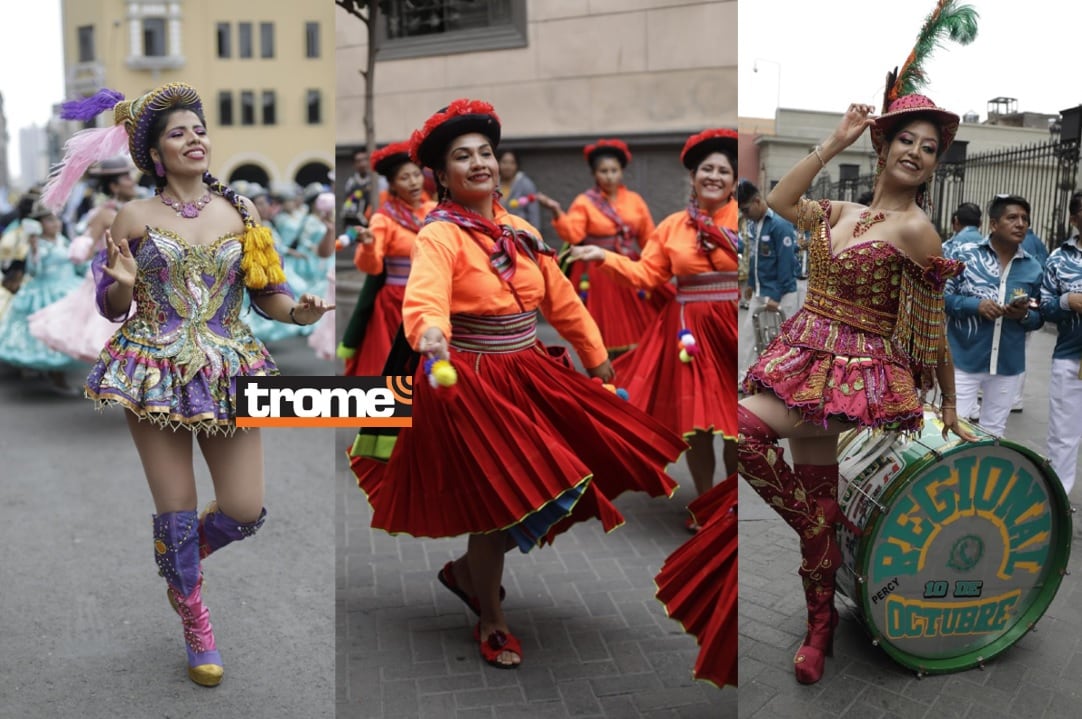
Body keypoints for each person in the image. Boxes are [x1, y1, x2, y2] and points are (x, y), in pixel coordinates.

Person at [350, 99, 686, 670]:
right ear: (442, 174)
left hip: (529, 370)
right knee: (498, 505)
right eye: (463, 156)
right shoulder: (439, 236)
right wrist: (430, 332)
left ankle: (465, 574)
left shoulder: (522, 230)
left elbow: (560, 299)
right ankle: (491, 617)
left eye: (485, 152)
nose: (479, 163)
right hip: (473, 382)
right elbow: (425, 297)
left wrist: (597, 358)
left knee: (562, 484)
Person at [39, 82, 333, 687]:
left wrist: (298, 313)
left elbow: (267, 294)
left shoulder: (243, 212)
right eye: (178, 132)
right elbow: (114, 305)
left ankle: (178, 563)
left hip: (230, 370)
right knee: (174, 511)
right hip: (152, 369)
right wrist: (119, 280)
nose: (194, 139)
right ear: (155, 154)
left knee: (245, 510)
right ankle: (195, 616)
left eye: (198, 129)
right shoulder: (135, 216)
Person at [738, 94, 976, 685]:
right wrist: (837, 139)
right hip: (800, 360)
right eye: (906, 140)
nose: (916, 152)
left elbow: (931, 327)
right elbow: (778, 200)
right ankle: (819, 627)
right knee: (818, 498)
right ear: (884, 145)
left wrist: (948, 405)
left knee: (740, 430)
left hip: (857, 378)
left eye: (929, 147)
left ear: (935, 164)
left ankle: (820, 539)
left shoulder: (918, 230)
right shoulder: (840, 210)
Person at [569, 128, 740, 527]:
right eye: (706, 169)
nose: (714, 176)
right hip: (690, 333)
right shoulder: (673, 226)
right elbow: (646, 274)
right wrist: (603, 256)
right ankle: (708, 502)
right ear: (693, 176)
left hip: (731, 328)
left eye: (723, 171)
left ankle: (733, 503)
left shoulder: (742, 219)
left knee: (734, 424)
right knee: (700, 424)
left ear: (734, 180)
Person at [535, 139, 661, 354]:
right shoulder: (585, 202)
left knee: (638, 331)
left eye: (614, 170)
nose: (609, 176)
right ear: (595, 174)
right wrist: (557, 213)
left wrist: (654, 265)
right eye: (604, 171)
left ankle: (631, 371)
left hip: (628, 266)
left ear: (622, 172)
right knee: (603, 330)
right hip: (597, 272)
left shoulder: (635, 200)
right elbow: (574, 234)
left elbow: (648, 237)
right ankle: (607, 372)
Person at [945, 194, 1044, 437]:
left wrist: (1023, 315)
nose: (1020, 224)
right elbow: (941, 298)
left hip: (1007, 365)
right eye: (1012, 217)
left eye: (1025, 219)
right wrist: (974, 306)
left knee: (994, 434)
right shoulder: (965, 255)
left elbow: (1039, 314)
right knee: (954, 428)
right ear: (993, 224)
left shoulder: (1033, 267)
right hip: (964, 360)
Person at [28, 156, 140, 363]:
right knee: (115, 344)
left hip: (137, 281)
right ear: (114, 186)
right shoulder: (105, 214)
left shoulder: (135, 210)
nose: (132, 181)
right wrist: (85, 248)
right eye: (126, 177)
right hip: (111, 281)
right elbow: (85, 247)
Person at [341, 140, 436, 376]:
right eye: (405, 178)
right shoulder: (383, 219)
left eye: (416, 175)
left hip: (433, 296)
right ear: (392, 184)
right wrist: (370, 244)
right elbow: (371, 267)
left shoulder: (434, 211)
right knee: (398, 368)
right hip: (397, 302)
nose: (413, 182)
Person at [0, 201, 84, 391]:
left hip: (69, 289)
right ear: (39, 224)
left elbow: (77, 263)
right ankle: (56, 377)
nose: (55, 224)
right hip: (47, 291)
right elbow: (33, 270)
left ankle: (58, 376)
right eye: (49, 221)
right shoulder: (37, 244)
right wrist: (34, 249)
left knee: (70, 333)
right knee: (51, 335)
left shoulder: (63, 240)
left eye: (56, 220)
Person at [736, 179, 800, 384]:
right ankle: (745, 378)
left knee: (779, 340)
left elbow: (786, 263)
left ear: (756, 201)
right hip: (761, 291)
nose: (744, 215)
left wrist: (776, 296)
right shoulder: (756, 224)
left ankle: (781, 380)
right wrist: (752, 286)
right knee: (749, 337)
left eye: (746, 210)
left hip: (780, 293)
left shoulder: (780, 225)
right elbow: (756, 257)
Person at [1041, 190, 1082, 497]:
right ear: (1074, 219)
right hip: (1071, 357)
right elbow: (1043, 306)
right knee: (1064, 436)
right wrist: (1068, 301)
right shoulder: (1059, 258)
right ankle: (1059, 500)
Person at [497, 149, 540, 229]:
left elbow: (534, 214)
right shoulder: (493, 185)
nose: (507, 166)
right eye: (504, 162)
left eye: (512, 163)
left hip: (521, 233)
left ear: (517, 165)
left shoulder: (526, 184)